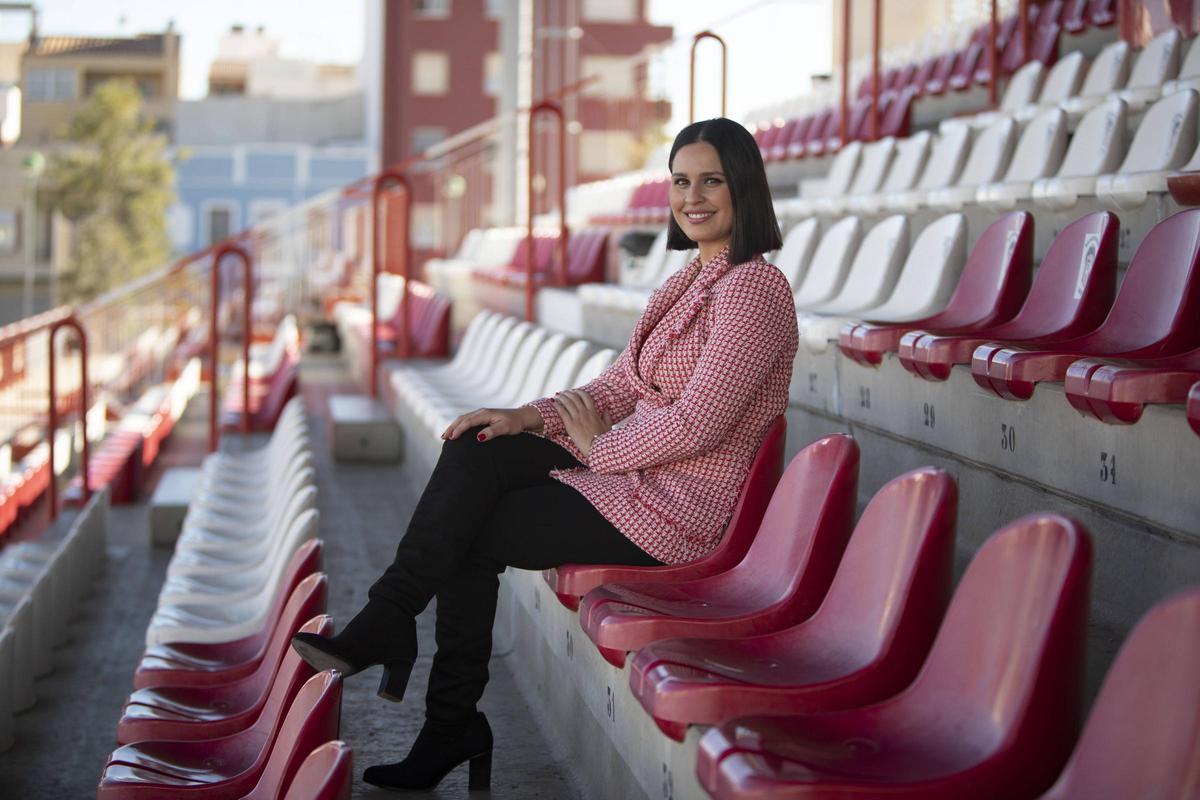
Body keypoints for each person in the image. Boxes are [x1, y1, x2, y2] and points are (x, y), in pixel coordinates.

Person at [291, 116, 799, 792]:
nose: (693, 196)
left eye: (712, 180)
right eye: (681, 181)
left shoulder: (756, 291)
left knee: (470, 529)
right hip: (633, 476)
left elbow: (698, 425)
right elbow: (619, 385)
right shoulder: (688, 279)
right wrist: (525, 417)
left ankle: (436, 703)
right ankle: (400, 636)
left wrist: (601, 446)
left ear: (745, 188)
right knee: (480, 445)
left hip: (678, 510)